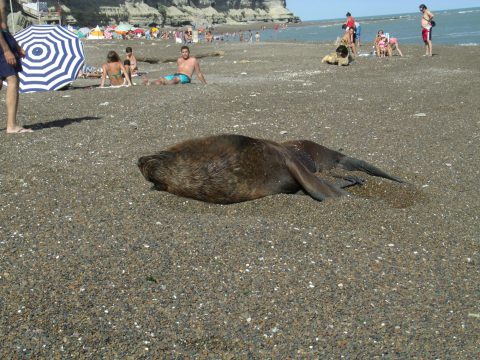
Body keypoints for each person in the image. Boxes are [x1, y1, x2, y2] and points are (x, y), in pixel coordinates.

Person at [0, 0, 32, 133]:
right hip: (2, 44)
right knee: (12, 80)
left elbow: (3, 26)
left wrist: (16, 46)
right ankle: (11, 126)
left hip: (4, 38)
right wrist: (7, 50)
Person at [142, 46, 206, 86]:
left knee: (175, 79)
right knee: (161, 79)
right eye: (183, 52)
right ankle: (149, 84)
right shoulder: (179, 60)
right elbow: (179, 70)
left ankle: (165, 83)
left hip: (186, 77)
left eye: (186, 52)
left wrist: (204, 84)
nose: (185, 53)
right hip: (176, 75)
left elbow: (199, 73)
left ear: (189, 52)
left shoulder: (193, 60)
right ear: (181, 53)